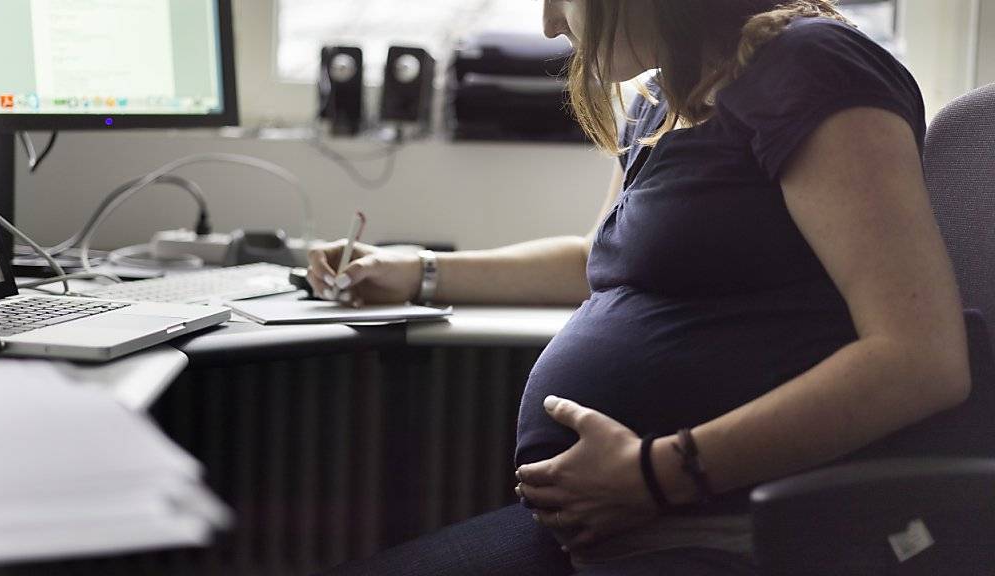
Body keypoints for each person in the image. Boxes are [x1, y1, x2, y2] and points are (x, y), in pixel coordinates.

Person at [307, 0, 970, 573]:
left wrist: (659, 473)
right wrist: (418, 271)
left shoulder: (813, 67)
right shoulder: (666, 96)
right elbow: (599, 262)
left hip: (724, 536)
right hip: (614, 529)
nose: (548, 25)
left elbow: (919, 358)